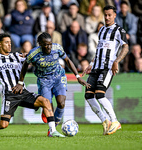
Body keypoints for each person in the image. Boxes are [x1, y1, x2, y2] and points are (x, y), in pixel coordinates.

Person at [0, 33, 65, 138]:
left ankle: (52, 131)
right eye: (6, 43)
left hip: (23, 92)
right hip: (9, 95)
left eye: (10, 43)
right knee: (3, 124)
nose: (9, 45)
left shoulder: (17, 56)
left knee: (45, 101)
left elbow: (33, 60)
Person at [12, 32, 90, 133]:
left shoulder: (57, 48)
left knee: (61, 103)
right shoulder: (34, 53)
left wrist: (78, 76)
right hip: (44, 80)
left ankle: (53, 128)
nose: (48, 47)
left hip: (58, 77)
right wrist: (20, 82)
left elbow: (67, 60)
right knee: (48, 105)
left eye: (50, 44)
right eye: (45, 44)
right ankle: (47, 115)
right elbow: (25, 66)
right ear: (39, 44)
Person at [82, 5, 129, 135]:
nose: (107, 17)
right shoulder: (102, 29)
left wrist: (116, 61)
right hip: (96, 67)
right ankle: (105, 120)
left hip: (107, 68)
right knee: (88, 95)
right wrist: (91, 63)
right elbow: (99, 49)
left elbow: (125, 47)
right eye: (105, 15)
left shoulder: (119, 31)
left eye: (109, 15)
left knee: (100, 94)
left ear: (115, 15)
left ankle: (115, 121)